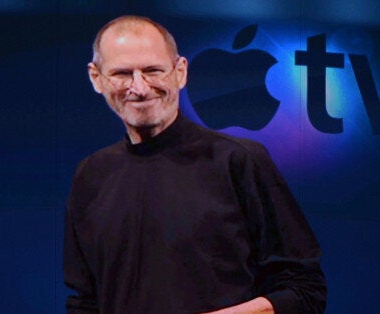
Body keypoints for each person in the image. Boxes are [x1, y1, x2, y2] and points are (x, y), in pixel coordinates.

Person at [63, 15, 326, 314]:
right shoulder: (90, 175)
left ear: (180, 72)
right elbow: (85, 300)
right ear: (96, 78)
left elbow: (304, 291)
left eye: (153, 71)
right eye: (122, 74)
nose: (139, 87)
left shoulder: (238, 160)